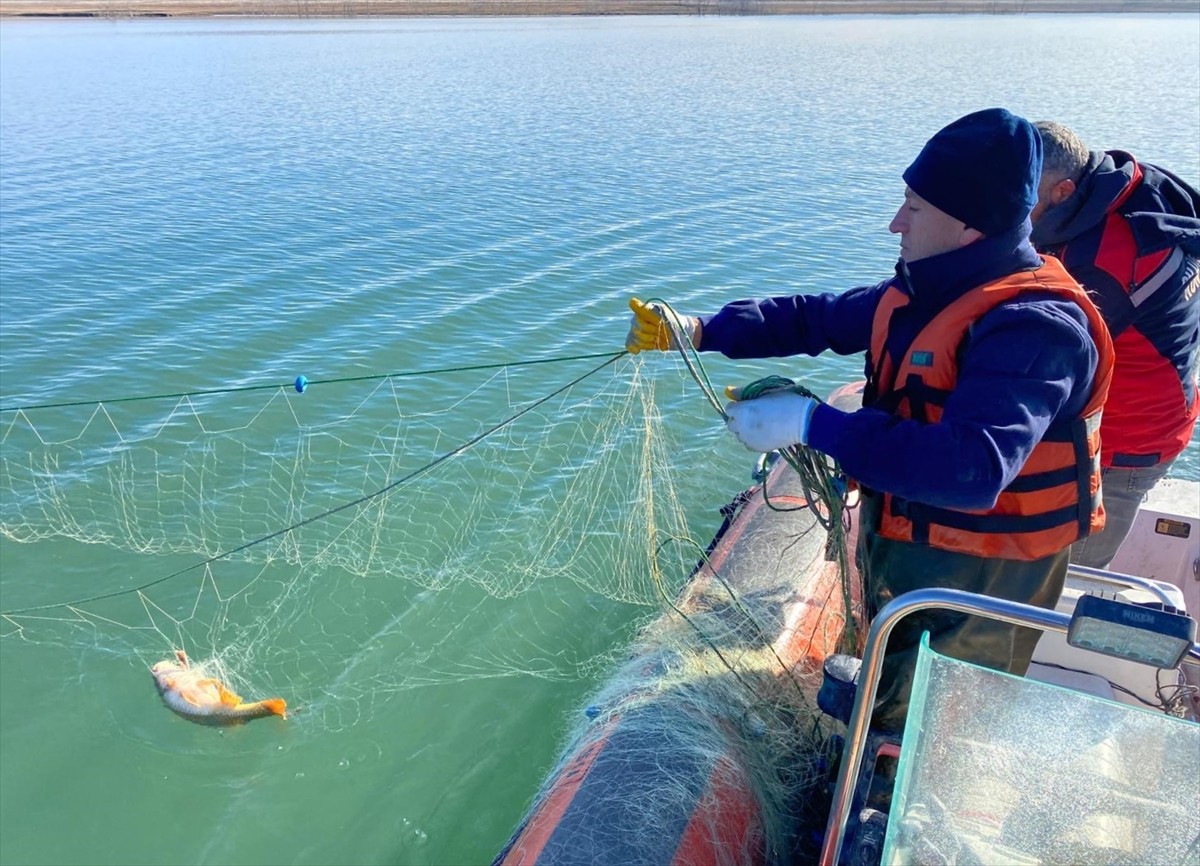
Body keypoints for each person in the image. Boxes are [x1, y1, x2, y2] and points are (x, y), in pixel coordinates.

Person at [625, 108, 1115, 733]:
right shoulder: (933, 286)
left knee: (932, 730)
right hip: (911, 548)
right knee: (888, 689)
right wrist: (699, 330)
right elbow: (816, 318)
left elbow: (971, 470)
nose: (894, 224)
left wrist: (812, 424)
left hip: (982, 581)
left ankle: (888, 810)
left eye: (913, 207)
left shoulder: (1037, 328)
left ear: (969, 226)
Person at [1030, 121, 1200, 569]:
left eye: (1023, 192)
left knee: (1064, 571)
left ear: (1064, 191)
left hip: (1127, 442)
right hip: (1168, 396)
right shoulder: (1139, 186)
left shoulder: (1100, 267)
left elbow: (1041, 365)